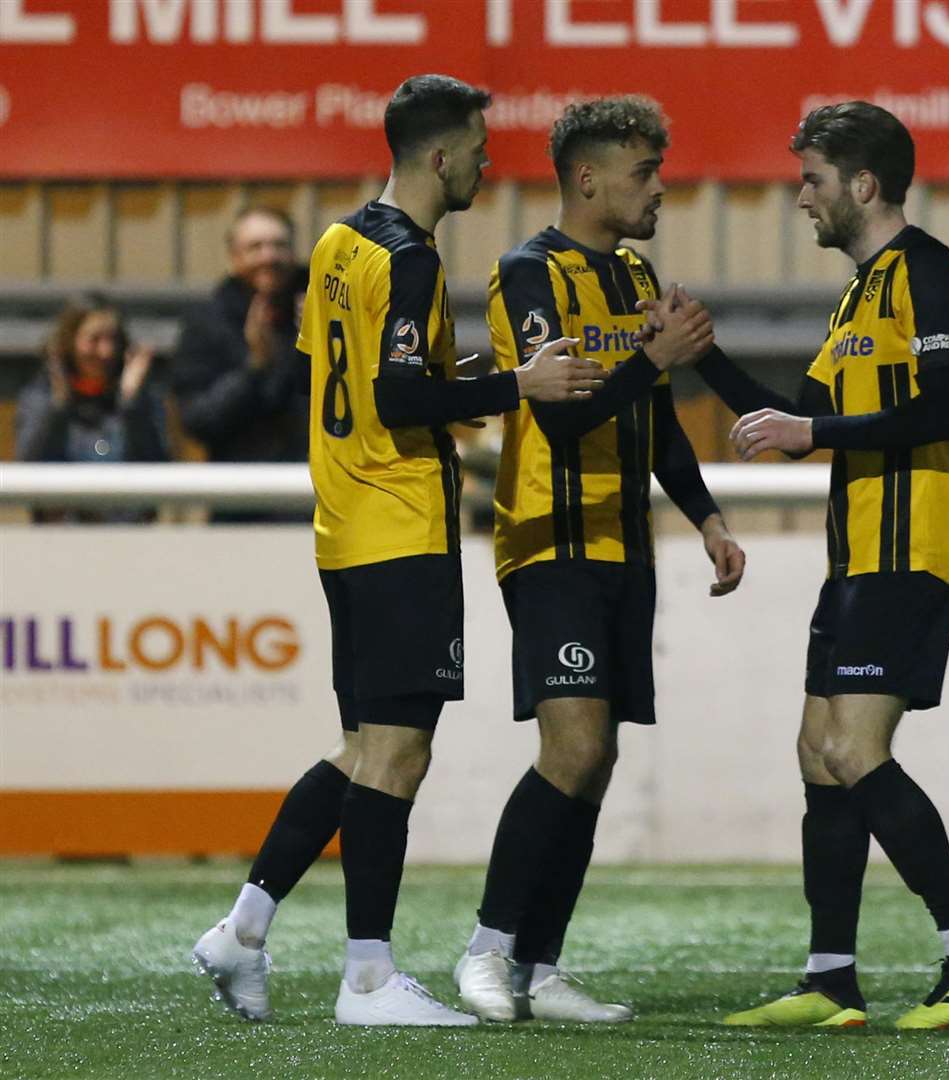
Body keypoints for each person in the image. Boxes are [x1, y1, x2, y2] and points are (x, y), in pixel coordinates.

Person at [191, 73, 612, 1028]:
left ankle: (242, 930)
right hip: (399, 525)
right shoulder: (412, 259)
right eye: (476, 146)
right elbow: (397, 399)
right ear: (438, 156)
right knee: (399, 755)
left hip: (344, 522)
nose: (485, 161)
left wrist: (448, 377)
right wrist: (516, 384)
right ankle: (368, 980)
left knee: (360, 749)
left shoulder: (338, 241)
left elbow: (332, 371)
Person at [658, 101, 949, 1031]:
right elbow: (794, 418)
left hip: (908, 549)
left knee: (855, 750)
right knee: (820, 760)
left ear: (863, 184)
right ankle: (831, 979)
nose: (800, 198)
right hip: (856, 555)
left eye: (812, 180)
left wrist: (809, 429)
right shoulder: (860, 296)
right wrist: (702, 359)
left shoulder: (926, 269)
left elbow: (939, 411)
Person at [453, 96, 745, 1024]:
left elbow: (651, 418)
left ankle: (539, 966)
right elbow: (564, 410)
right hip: (549, 543)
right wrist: (650, 360)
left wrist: (703, 516)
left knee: (598, 756)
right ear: (587, 178)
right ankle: (487, 950)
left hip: (627, 546)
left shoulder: (632, 272)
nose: (659, 188)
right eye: (643, 172)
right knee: (571, 745)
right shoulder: (526, 273)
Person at [171, 205, 310, 519]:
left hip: (321, 498)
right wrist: (254, 369)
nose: (268, 256)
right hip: (240, 502)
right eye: (255, 247)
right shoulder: (206, 323)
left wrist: (320, 352)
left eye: (279, 245)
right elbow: (197, 420)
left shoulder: (328, 309)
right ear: (234, 258)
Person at [16, 294, 168, 519]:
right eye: (94, 339)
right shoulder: (41, 396)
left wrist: (131, 404)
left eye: (112, 339)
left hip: (127, 535)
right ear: (69, 342)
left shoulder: (139, 398)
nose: (105, 352)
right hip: (62, 536)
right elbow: (28, 468)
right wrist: (58, 409)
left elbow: (159, 468)